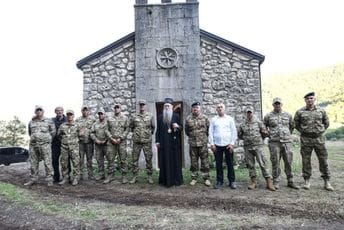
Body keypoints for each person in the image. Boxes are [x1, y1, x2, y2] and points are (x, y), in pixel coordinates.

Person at [294, 92, 334, 191]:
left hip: (319, 139)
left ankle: (327, 181)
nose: (309, 100)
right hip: (306, 139)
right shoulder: (300, 112)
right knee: (306, 160)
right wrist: (304, 131)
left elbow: (326, 123)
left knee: (323, 160)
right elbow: (296, 124)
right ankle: (307, 181)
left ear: (314, 99)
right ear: (305, 100)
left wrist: (319, 131)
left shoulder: (321, 111)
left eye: (311, 98)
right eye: (307, 98)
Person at [263, 97, 299, 189]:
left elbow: (292, 126)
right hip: (274, 143)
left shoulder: (288, 115)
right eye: (275, 104)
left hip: (286, 142)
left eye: (279, 104)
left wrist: (286, 134)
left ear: (281, 105)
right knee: (275, 162)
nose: (277, 105)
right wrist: (269, 134)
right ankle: (276, 181)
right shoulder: (268, 116)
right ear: (273, 105)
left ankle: (290, 181)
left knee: (288, 162)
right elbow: (264, 127)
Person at [238, 106, 275, 191]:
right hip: (248, 147)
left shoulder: (258, 122)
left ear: (253, 112)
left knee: (263, 164)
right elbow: (240, 134)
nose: (249, 114)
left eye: (250, 112)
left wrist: (259, 140)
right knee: (250, 165)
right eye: (248, 112)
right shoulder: (242, 124)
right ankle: (253, 181)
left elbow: (265, 133)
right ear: (245, 113)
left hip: (258, 146)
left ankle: (269, 182)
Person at [24, 105, 55, 187]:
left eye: (40, 110)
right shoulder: (31, 122)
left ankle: (49, 180)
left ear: (43, 111)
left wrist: (46, 139)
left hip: (45, 145)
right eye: (37, 110)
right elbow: (30, 133)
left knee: (48, 163)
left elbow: (53, 132)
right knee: (33, 163)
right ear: (35, 112)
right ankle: (33, 179)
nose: (39, 111)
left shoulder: (49, 121)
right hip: (34, 145)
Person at [156, 98, 183, 187]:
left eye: (168, 106)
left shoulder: (176, 116)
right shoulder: (160, 117)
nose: (167, 107)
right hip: (164, 143)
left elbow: (181, 128)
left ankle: (176, 180)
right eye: (165, 106)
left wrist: (177, 126)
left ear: (171, 107)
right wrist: (157, 141)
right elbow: (158, 130)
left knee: (175, 161)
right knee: (164, 161)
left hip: (174, 144)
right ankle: (165, 180)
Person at [209, 103, 237, 189]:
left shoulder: (230, 119)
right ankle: (219, 181)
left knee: (230, 163)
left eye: (221, 107)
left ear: (224, 109)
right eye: (218, 107)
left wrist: (232, 143)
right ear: (216, 109)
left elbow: (234, 132)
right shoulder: (213, 120)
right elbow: (210, 132)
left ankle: (232, 181)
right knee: (218, 164)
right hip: (217, 145)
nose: (220, 108)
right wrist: (212, 144)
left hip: (228, 145)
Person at [185, 102, 211, 187]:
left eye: (197, 107)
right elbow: (187, 131)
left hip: (203, 144)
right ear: (192, 109)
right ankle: (194, 178)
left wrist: (204, 138)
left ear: (200, 108)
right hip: (193, 144)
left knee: (205, 162)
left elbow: (208, 130)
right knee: (194, 162)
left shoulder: (205, 118)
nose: (195, 109)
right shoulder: (188, 118)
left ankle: (206, 178)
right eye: (194, 108)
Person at [129, 100, 155, 184]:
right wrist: (137, 134)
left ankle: (149, 176)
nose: (142, 106)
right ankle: (134, 176)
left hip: (147, 141)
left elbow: (153, 127)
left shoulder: (150, 116)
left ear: (146, 106)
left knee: (149, 159)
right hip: (137, 141)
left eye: (143, 105)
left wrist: (147, 135)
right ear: (139, 106)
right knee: (134, 159)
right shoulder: (134, 116)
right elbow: (131, 127)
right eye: (140, 105)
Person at [105, 104, 129, 184]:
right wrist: (111, 138)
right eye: (115, 108)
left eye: (118, 108)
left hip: (121, 142)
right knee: (110, 159)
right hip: (111, 142)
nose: (116, 109)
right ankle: (110, 175)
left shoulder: (125, 118)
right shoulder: (109, 118)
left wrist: (121, 138)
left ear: (120, 109)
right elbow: (106, 130)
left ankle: (124, 176)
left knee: (123, 159)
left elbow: (127, 129)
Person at [57, 110, 81, 186]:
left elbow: (81, 135)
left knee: (76, 163)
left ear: (73, 116)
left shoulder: (78, 125)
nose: (69, 116)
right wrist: (65, 141)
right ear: (66, 116)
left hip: (74, 147)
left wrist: (74, 141)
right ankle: (65, 178)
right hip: (64, 147)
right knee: (64, 163)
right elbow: (59, 135)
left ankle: (76, 178)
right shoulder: (62, 126)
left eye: (71, 115)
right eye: (68, 115)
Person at [76, 105, 95, 180]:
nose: (85, 112)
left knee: (89, 159)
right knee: (80, 159)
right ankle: (80, 175)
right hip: (81, 143)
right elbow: (75, 130)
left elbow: (95, 129)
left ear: (89, 111)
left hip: (89, 142)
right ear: (81, 111)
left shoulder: (93, 119)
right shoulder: (78, 120)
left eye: (86, 110)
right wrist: (79, 133)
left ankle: (90, 175)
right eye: (83, 110)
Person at [90, 108, 108, 182]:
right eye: (99, 114)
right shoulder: (95, 124)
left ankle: (110, 175)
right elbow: (91, 133)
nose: (100, 115)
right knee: (99, 160)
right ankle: (101, 174)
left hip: (107, 144)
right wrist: (96, 140)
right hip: (98, 145)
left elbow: (111, 132)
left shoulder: (108, 123)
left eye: (102, 114)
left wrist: (106, 140)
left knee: (109, 159)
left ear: (105, 114)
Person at [51, 106, 67, 183]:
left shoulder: (68, 119)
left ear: (63, 111)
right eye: (57, 110)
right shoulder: (52, 120)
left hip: (65, 143)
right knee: (54, 161)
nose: (59, 112)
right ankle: (56, 177)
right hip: (55, 144)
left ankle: (67, 177)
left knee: (66, 161)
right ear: (55, 112)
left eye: (61, 110)